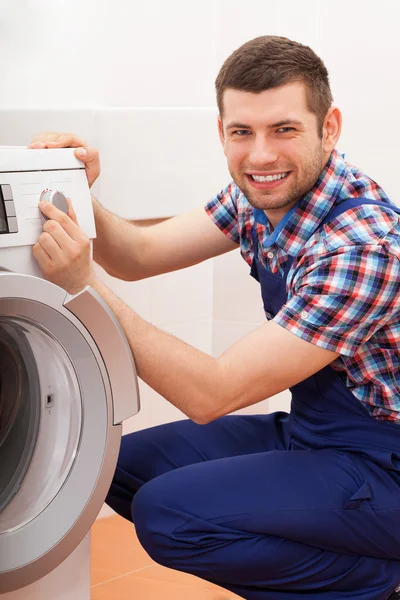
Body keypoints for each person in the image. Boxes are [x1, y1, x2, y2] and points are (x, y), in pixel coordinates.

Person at [29, 35, 400, 600]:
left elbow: (212, 394)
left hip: (385, 464)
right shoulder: (258, 195)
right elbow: (138, 256)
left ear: (329, 127)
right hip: (316, 436)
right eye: (242, 132)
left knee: (169, 515)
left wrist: (85, 290)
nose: (261, 156)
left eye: (285, 129)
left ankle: (384, 583)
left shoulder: (364, 247)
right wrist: (76, 190)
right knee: (118, 468)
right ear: (222, 131)